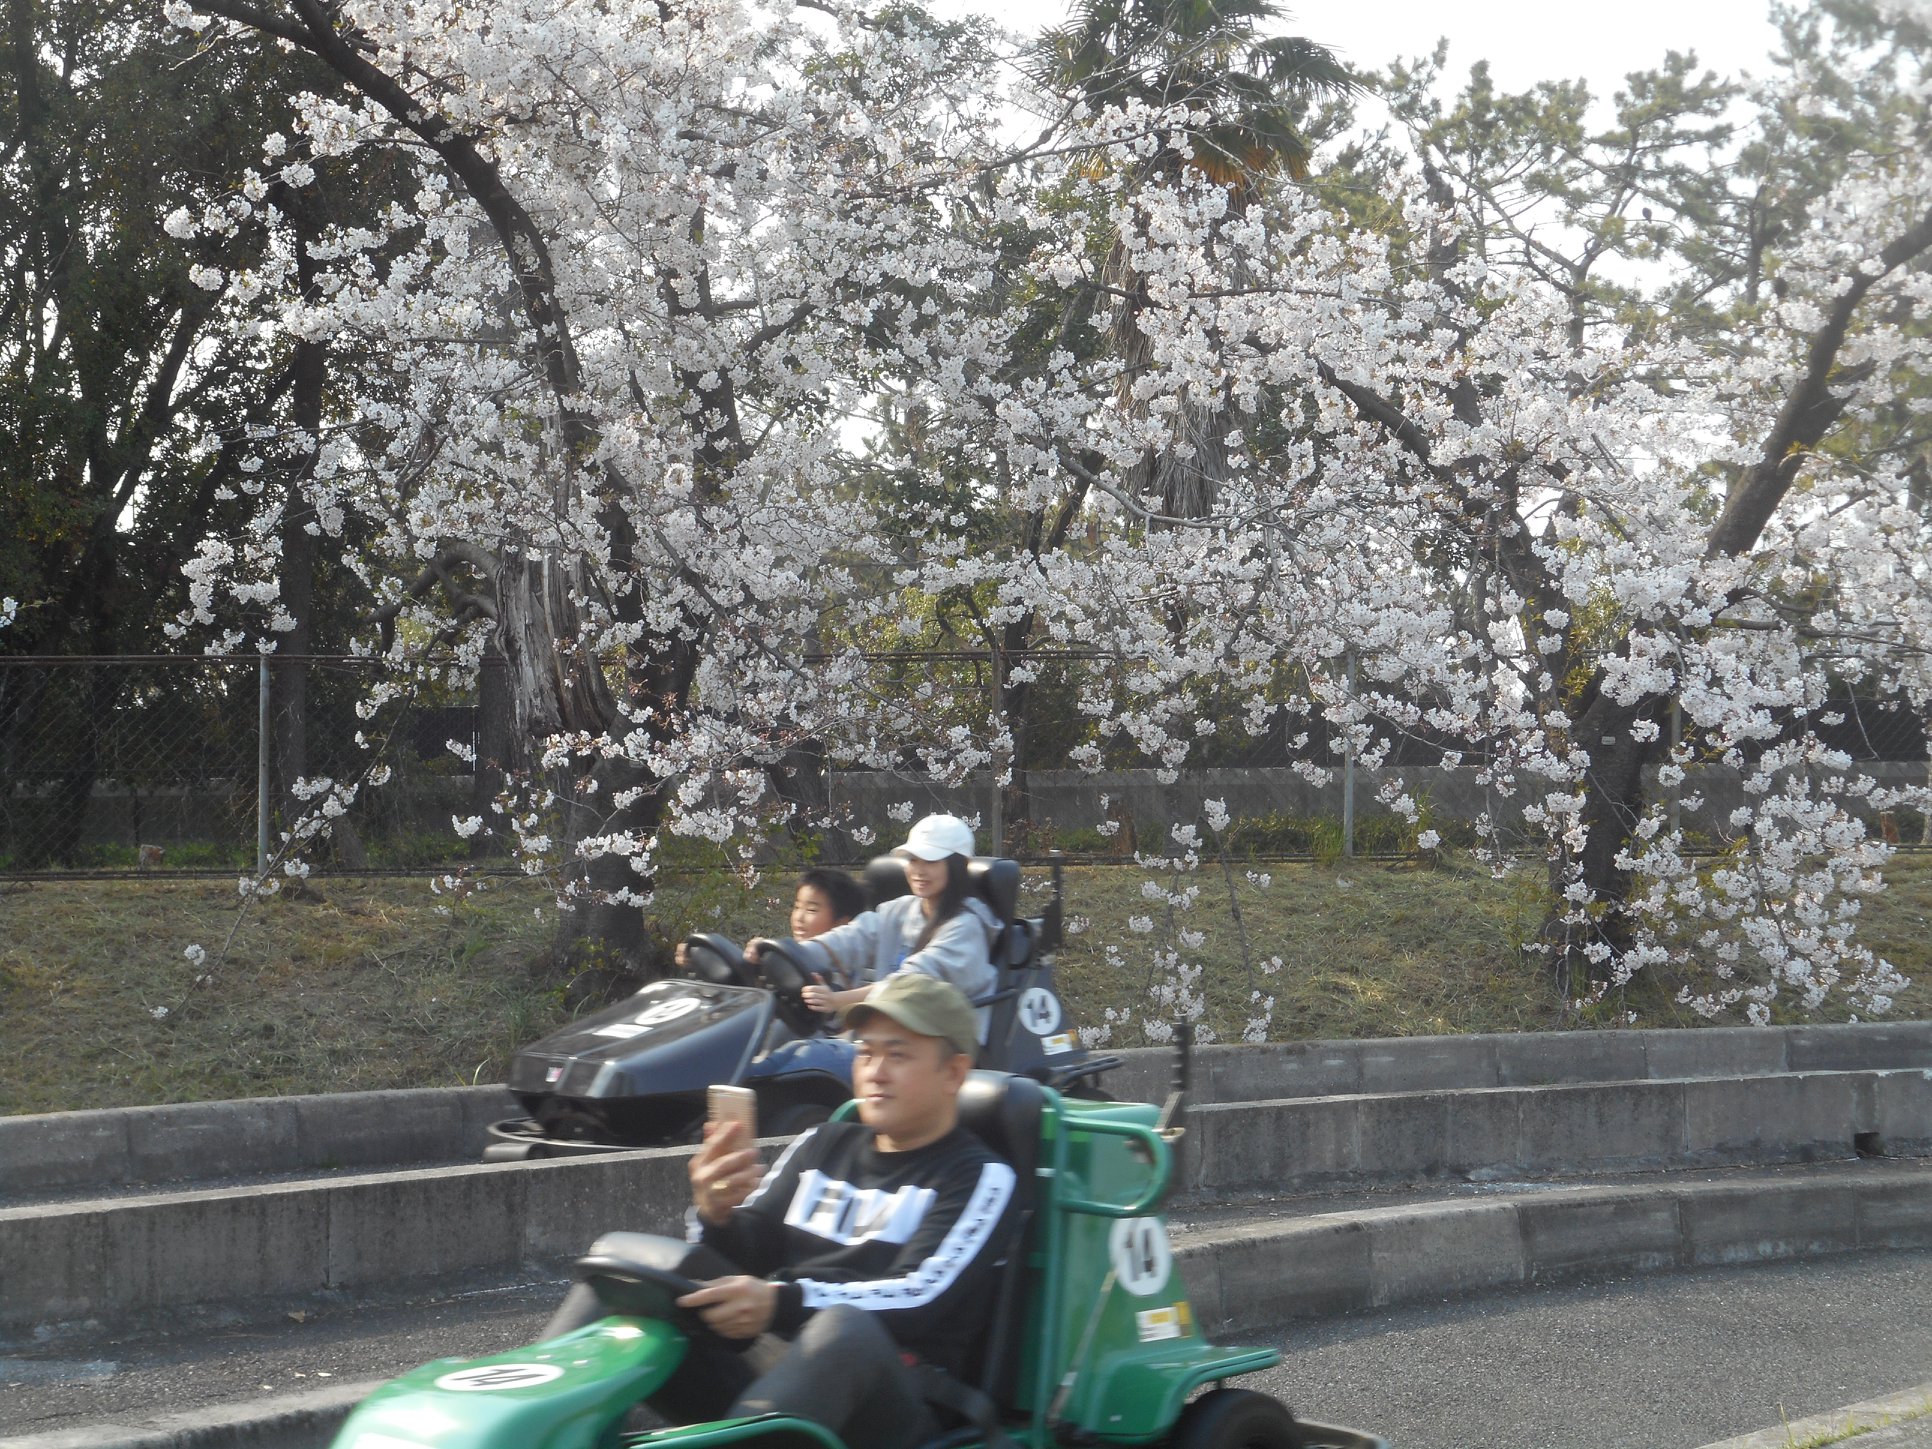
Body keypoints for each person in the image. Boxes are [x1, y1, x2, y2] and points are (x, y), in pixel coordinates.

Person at [543, 975, 1019, 1449]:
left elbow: (921, 1295)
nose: (875, 1071)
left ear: (954, 1073)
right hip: (780, 1374)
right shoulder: (824, 1142)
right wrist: (717, 1214)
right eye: (866, 1052)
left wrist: (780, 1302)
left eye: (898, 1055)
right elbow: (751, 1249)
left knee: (844, 1329)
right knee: (625, 1264)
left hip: (894, 1397)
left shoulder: (979, 1176)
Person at [748, 815, 997, 1033]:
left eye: (930, 861)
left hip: (936, 1044)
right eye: (913, 860)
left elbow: (910, 984)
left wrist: (838, 1000)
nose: (918, 870)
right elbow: (848, 939)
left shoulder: (966, 927)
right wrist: (781, 952)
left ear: (959, 865)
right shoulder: (900, 910)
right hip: (887, 1035)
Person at [674, 866, 867, 979]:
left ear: (843, 924)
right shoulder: (786, 955)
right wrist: (699, 960)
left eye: (811, 910)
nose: (799, 917)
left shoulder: (841, 970)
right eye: (797, 906)